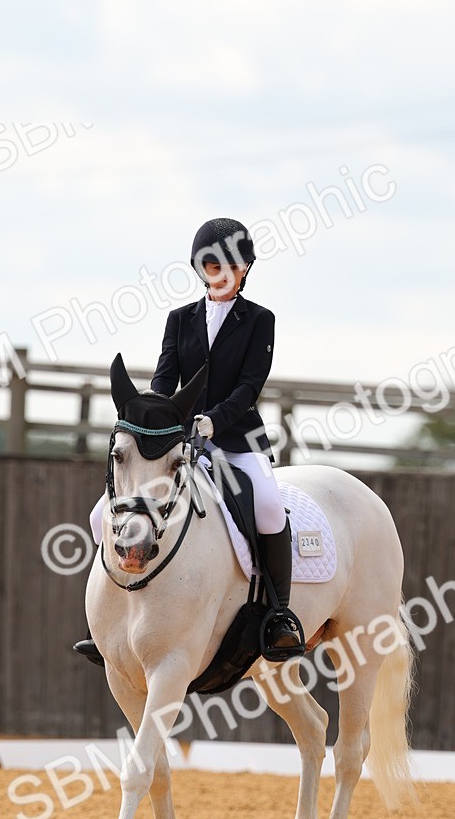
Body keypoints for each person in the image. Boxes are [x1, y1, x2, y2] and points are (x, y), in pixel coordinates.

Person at [75, 216, 303, 662]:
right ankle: (105, 618)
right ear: (201, 269)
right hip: (178, 443)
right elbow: (165, 377)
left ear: (244, 270)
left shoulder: (259, 320)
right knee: (99, 513)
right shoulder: (180, 320)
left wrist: (214, 422)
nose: (221, 273)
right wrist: (156, 414)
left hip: (236, 439)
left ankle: (278, 615)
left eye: (230, 265)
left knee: (271, 507)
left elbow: (249, 386)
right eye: (212, 265)